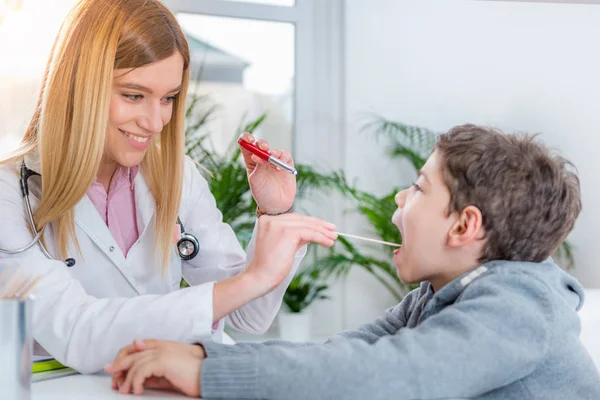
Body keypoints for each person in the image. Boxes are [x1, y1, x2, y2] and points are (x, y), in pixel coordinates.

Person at [108, 124, 600, 399]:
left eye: (418, 188)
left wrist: (207, 377)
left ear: (463, 227)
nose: (398, 197)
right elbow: (339, 354)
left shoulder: (519, 307)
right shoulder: (432, 299)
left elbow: (383, 376)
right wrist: (209, 358)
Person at [0, 0, 337, 374]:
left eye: (168, 98)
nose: (155, 120)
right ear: (80, 86)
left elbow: (247, 314)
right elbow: (79, 332)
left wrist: (275, 215)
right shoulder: (10, 193)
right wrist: (251, 280)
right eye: (133, 95)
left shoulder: (179, 178)